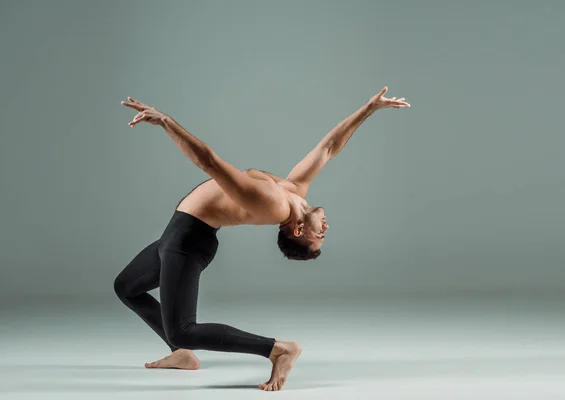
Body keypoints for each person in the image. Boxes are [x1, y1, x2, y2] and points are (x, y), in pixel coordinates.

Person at [113, 86, 410, 391]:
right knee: (126, 287)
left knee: (182, 329)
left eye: (319, 235)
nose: (326, 229)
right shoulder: (294, 192)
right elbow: (328, 148)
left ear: (297, 231)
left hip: (188, 241)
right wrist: (369, 109)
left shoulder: (273, 204)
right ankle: (183, 355)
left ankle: (278, 349)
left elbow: (211, 164)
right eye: (322, 233)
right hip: (176, 234)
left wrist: (166, 122)